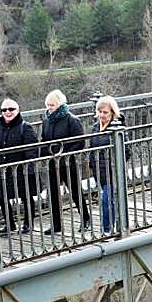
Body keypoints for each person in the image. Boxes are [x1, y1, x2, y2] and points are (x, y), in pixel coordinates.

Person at [41, 89, 89, 234]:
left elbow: (80, 142)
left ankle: (86, 219)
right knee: (54, 194)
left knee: (75, 192)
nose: (49, 108)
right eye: (48, 105)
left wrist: (64, 153)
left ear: (60, 104)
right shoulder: (46, 121)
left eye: (52, 105)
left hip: (68, 163)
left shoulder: (72, 120)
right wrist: (46, 152)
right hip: (52, 163)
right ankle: (56, 224)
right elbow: (44, 140)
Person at [0, 98, 37, 234]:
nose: (7, 112)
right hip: (2, 168)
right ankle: (10, 224)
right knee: (1, 195)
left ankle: (28, 223)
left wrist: (29, 168)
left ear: (18, 110)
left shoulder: (25, 127)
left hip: (20, 168)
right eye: (4, 110)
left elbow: (32, 150)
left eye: (11, 109)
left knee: (25, 196)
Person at [88, 94, 123, 235]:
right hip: (99, 171)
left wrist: (114, 162)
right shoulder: (96, 127)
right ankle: (109, 227)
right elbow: (91, 147)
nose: (102, 115)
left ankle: (108, 229)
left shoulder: (118, 128)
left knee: (106, 200)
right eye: (100, 112)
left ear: (113, 113)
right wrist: (92, 163)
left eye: (105, 112)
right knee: (108, 200)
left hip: (112, 170)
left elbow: (125, 151)